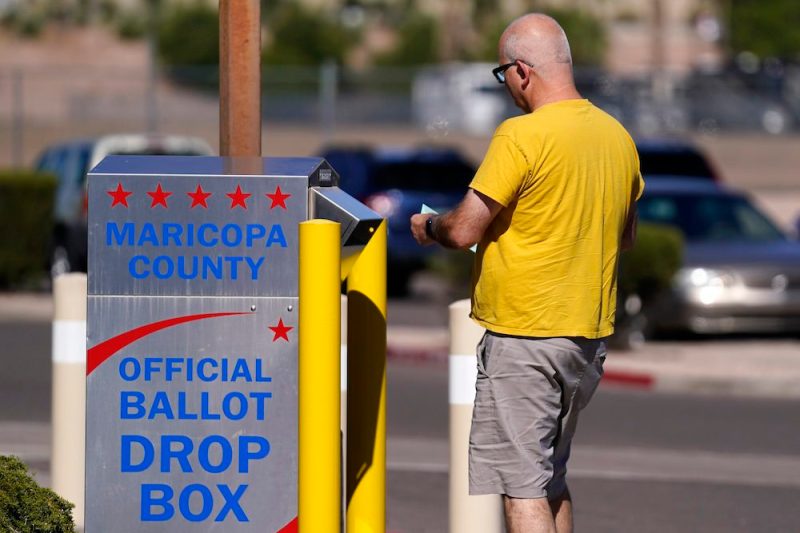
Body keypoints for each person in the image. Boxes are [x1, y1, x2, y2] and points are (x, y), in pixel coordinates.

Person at [410, 13, 643, 533]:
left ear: (521, 71)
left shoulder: (521, 136)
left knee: (521, 491)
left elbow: (466, 228)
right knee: (549, 479)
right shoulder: (617, 137)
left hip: (524, 335)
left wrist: (429, 225)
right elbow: (624, 237)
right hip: (586, 337)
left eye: (501, 75)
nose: (506, 88)